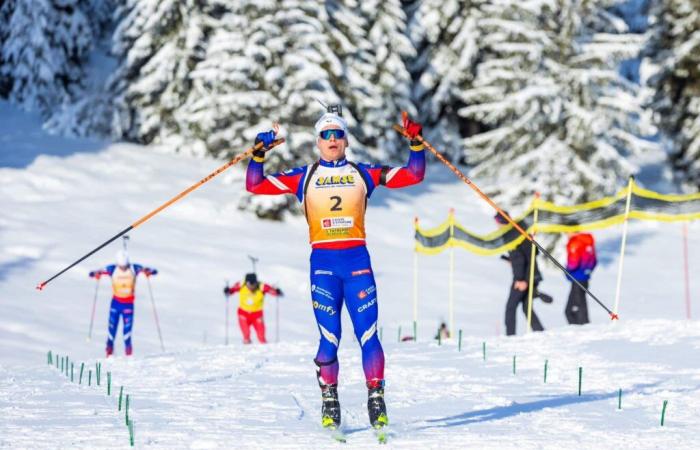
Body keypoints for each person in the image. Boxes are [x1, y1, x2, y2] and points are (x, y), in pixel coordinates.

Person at [245, 109, 425, 431]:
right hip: (324, 267)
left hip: (357, 265)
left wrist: (415, 145)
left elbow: (414, 175)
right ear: (317, 141)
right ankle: (330, 399)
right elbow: (255, 185)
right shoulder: (305, 176)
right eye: (326, 135)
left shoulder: (362, 173)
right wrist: (258, 152)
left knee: (367, 335)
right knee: (330, 338)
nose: (332, 140)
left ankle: (376, 397)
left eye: (337, 134)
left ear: (345, 140)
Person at [89, 250, 157, 357]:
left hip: (128, 305)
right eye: (121, 266)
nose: (123, 268)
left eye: (125, 266)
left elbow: (149, 270)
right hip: (115, 304)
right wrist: (95, 274)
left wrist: (150, 272)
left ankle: (129, 357)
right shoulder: (113, 269)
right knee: (111, 331)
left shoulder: (134, 268)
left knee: (127, 333)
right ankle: (108, 354)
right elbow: (98, 272)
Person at [495, 212, 546, 336]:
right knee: (526, 307)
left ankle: (510, 337)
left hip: (524, 278)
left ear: (502, 222)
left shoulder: (513, 235)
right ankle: (540, 333)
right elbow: (526, 255)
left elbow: (523, 259)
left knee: (510, 308)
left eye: (497, 223)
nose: (496, 227)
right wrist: (510, 260)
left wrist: (522, 280)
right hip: (530, 276)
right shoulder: (518, 232)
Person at [224, 273, 283, 344]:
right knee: (246, 334)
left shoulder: (262, 286)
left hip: (257, 314)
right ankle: (246, 351)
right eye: (249, 284)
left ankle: (264, 351)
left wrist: (277, 292)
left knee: (261, 336)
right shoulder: (241, 284)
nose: (251, 287)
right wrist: (227, 291)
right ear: (246, 283)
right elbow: (231, 290)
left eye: (253, 284)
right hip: (243, 313)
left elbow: (272, 291)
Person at [565, 232, 597, 325]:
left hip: (577, 277)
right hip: (585, 277)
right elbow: (594, 261)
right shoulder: (588, 241)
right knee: (580, 304)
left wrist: (567, 271)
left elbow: (573, 262)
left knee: (570, 310)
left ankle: (582, 327)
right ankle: (583, 325)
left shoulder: (575, 242)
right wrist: (587, 271)